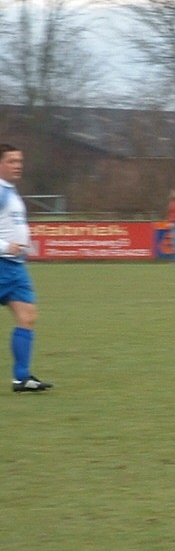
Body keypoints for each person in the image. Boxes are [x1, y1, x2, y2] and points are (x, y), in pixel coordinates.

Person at [0, 145, 53, 392]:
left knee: (28, 316)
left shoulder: (11, 191)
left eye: (19, 161)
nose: (18, 165)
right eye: (12, 161)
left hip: (15, 267)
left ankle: (21, 379)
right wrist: (5, 246)